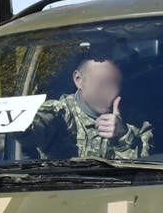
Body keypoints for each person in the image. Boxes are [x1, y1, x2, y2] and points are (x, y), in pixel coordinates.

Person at [16, 51, 153, 160]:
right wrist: (18, 123)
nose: (111, 93)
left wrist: (122, 137)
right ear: (78, 80)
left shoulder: (135, 120)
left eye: (116, 83)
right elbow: (38, 127)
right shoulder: (61, 113)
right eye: (102, 84)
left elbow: (149, 169)